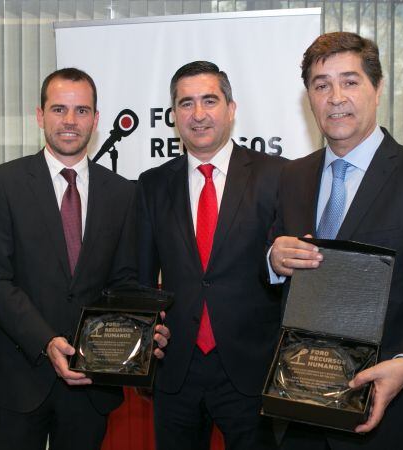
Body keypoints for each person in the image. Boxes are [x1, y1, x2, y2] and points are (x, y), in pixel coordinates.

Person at [268, 32, 403, 449]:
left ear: (378, 88)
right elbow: (278, 275)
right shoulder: (291, 176)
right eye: (321, 84)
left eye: (349, 81)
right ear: (309, 97)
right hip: (298, 415)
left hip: (389, 422)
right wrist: (272, 261)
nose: (335, 97)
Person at [0, 67, 169, 450]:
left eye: (81, 111)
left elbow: (124, 281)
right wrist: (47, 340)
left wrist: (144, 329)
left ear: (96, 120)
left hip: (91, 383)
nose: (70, 121)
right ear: (40, 115)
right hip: (19, 378)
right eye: (59, 109)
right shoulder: (3, 182)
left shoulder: (121, 192)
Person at [136, 61, 286, 450]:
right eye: (186, 103)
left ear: (231, 109)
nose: (197, 114)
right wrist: (145, 333)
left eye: (209, 100)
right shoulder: (152, 185)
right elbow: (138, 277)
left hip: (253, 369)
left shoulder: (277, 177)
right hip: (176, 368)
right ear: (173, 116)